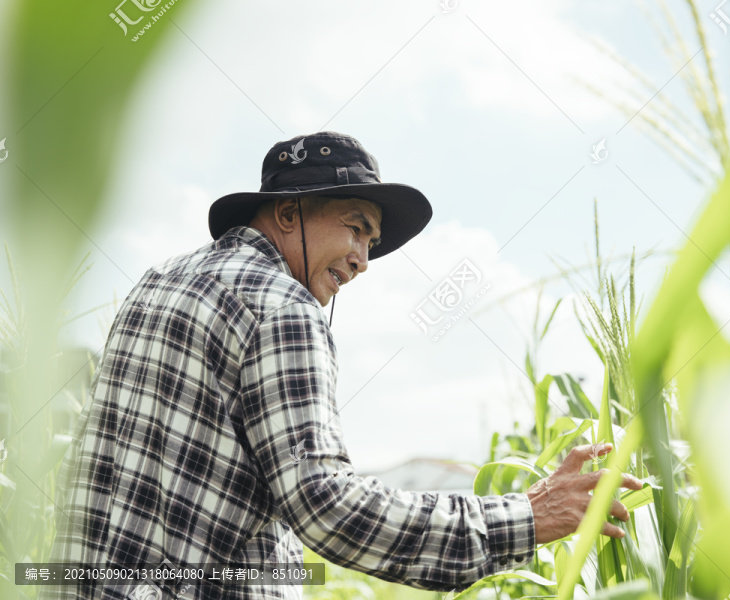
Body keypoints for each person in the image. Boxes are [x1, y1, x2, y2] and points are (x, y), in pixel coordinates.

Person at [45, 132, 642, 599]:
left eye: (371, 243)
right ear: (288, 214)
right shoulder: (282, 308)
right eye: (356, 229)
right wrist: (524, 518)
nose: (362, 261)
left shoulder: (155, 284)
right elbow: (326, 506)